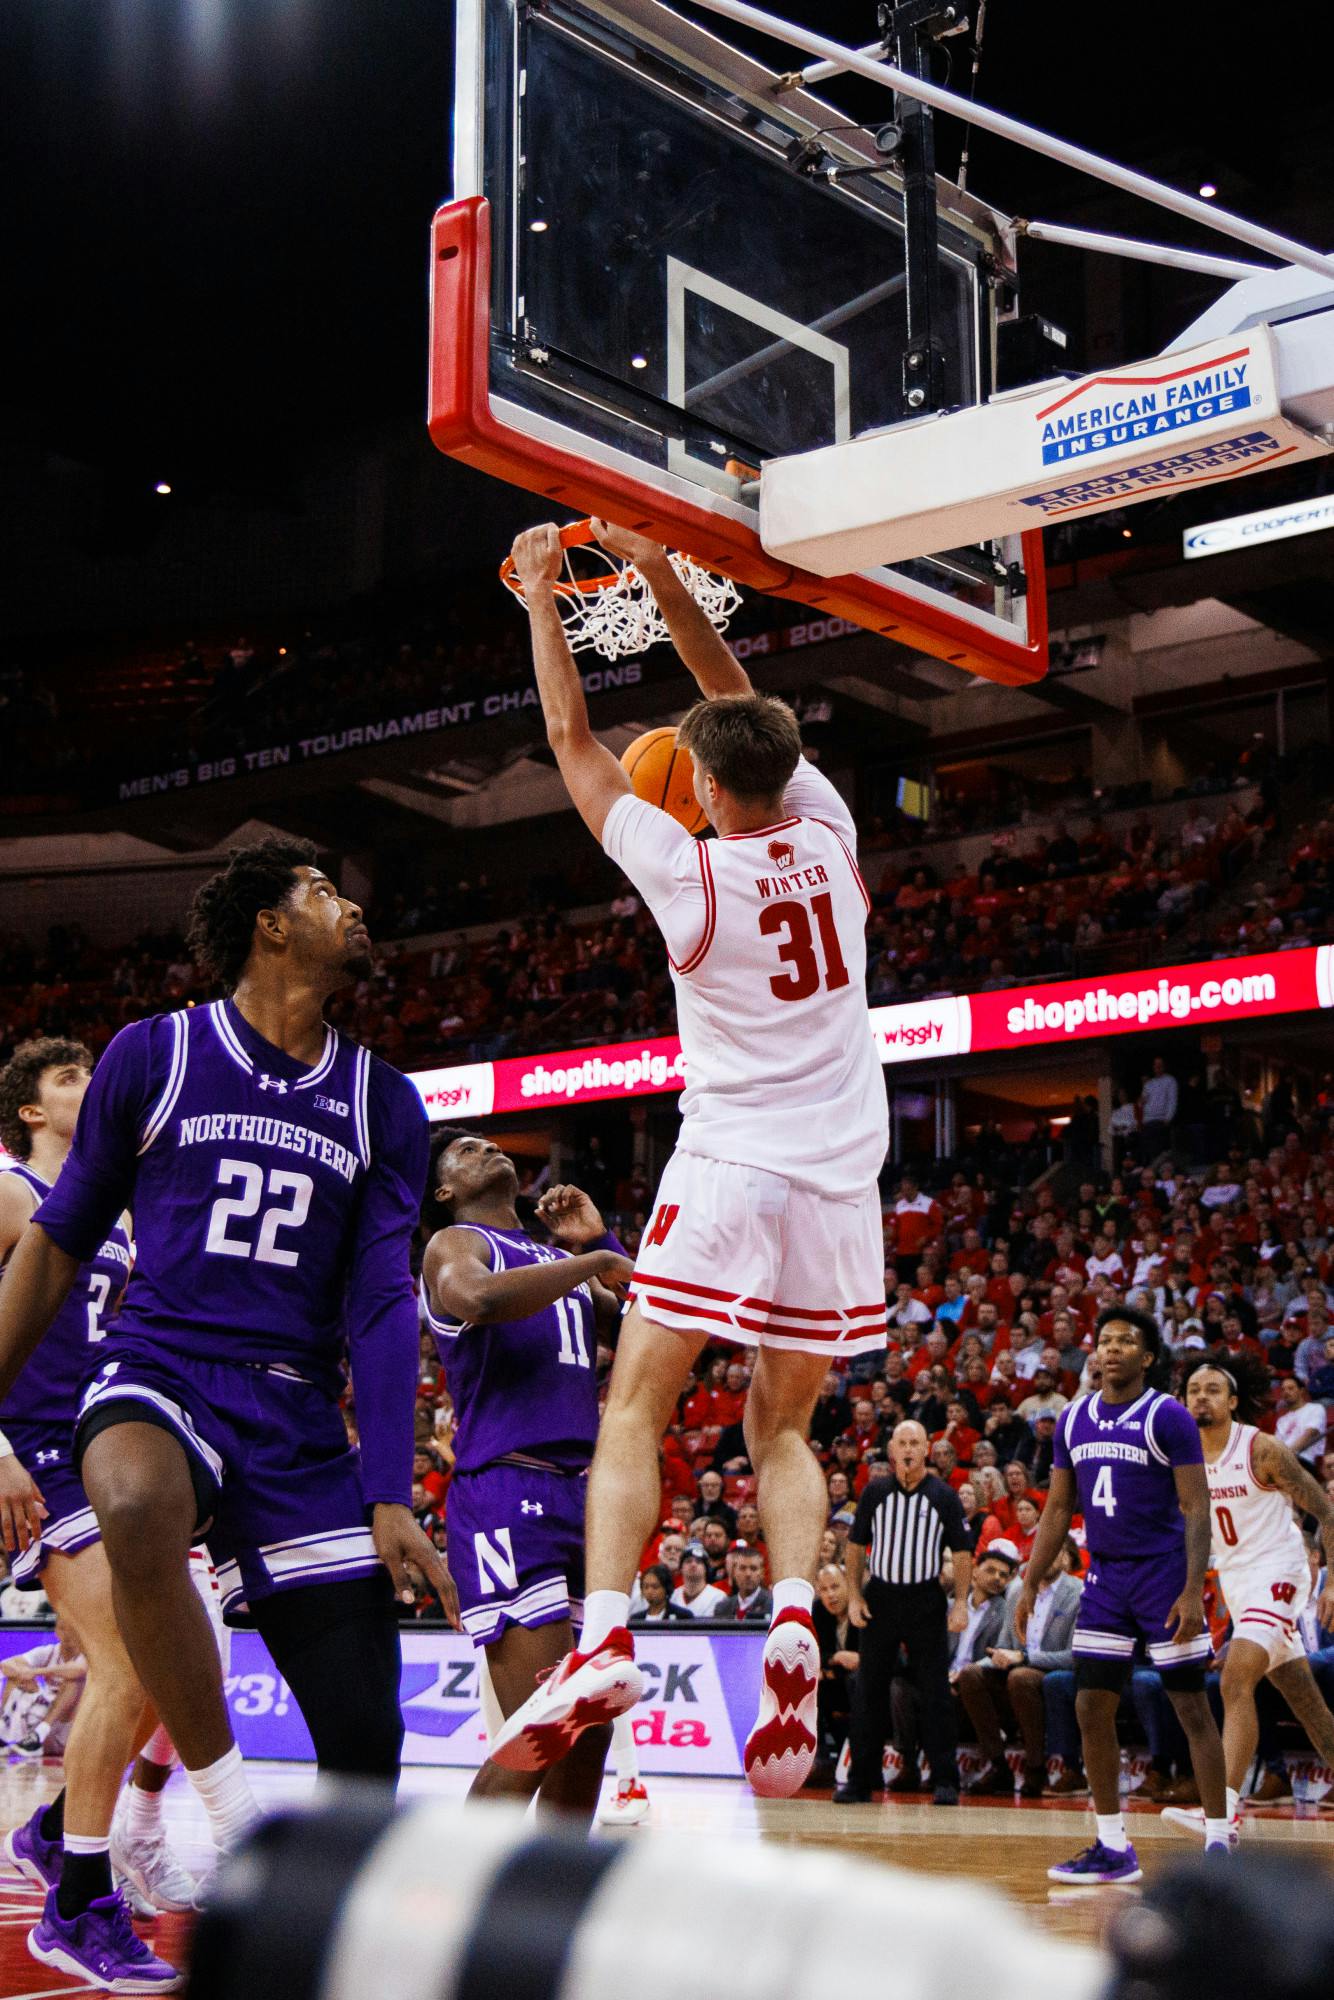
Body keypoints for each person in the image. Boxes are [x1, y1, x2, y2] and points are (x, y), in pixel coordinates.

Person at [491, 522, 888, 1799]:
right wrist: (663, 575)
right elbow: (736, 702)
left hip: (725, 1163)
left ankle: (606, 1628)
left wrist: (548, 598)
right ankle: (785, 1610)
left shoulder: (686, 876)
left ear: (703, 789)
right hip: (837, 1180)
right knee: (781, 1423)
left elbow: (574, 744)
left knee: (635, 1407)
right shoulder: (829, 834)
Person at [0, 841, 457, 1932]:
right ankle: (231, 1806)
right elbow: (55, 1247)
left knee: (364, 1733)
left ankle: (321, 1931)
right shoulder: (153, 1054)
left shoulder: (382, 1101)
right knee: (136, 1498)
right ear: (268, 923)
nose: (351, 908)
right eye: (324, 892)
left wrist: (388, 1488)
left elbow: (383, 1300)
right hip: (159, 1366)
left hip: (297, 1409)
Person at [0, 1037, 189, 1988]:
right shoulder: (8, 1190)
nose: (89, 1085)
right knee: (122, 1662)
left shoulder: (108, 1206)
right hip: (27, 1449)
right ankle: (74, 1907)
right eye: (67, 1078)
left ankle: (47, 1827)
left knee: (157, 1666)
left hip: (88, 1447)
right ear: (30, 1112)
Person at [419, 1130, 634, 1824]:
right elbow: (476, 1299)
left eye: (490, 1144)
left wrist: (605, 1243)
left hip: (582, 1495)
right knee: (548, 1717)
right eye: (466, 1151)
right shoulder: (454, 1245)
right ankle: (453, 1887)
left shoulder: (555, 1261)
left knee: (592, 1725)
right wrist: (589, 1262)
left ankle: (554, 1899)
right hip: (507, 1490)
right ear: (445, 1191)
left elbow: (643, 1337)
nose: (486, 1149)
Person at [1016, 1306, 1228, 1884]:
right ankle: (1113, 1846)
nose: (1111, 1349)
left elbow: (1196, 1506)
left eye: (1125, 1341)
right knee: (1090, 1704)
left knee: (1190, 1705)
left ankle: (1218, 1841)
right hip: (1106, 1576)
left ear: (1148, 1356)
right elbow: (1059, 1508)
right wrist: (1031, 1580)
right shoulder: (1074, 1419)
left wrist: (1192, 1589)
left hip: (1163, 1574)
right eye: (1104, 1340)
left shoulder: (1169, 1417)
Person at [1176, 1354, 1334, 1840]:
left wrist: (1333, 1579)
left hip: (1281, 1571)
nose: (1201, 1396)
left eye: (1212, 1389)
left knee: (1234, 1680)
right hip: (1238, 1583)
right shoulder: (1182, 1460)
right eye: (1193, 1390)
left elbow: (1326, 1511)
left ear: (1234, 1401)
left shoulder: (1261, 1450)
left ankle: (1221, 1813)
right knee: (1307, 1704)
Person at [836, 1420, 971, 1806]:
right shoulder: (875, 1492)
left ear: (926, 1449)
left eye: (915, 1442)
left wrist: (960, 1602)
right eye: (902, 1443)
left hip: (926, 1600)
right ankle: (861, 1780)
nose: (909, 1450)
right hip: (881, 1598)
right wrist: (854, 1597)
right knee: (868, 1691)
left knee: (935, 1693)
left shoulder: (943, 1495)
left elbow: (962, 1553)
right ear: (892, 1450)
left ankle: (945, 1780)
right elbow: (856, 1546)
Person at [956, 1538, 1082, 1799]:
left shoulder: (1077, 1591)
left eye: (1052, 1550)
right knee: (970, 1675)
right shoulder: (1018, 1592)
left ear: (1064, 1558)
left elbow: (1074, 1656)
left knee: (1020, 1677)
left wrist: (1023, 1657)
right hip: (1017, 1670)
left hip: (1051, 1673)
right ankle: (999, 1765)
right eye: (1039, 1551)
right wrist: (985, 1662)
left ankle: (1036, 1767)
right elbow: (1003, 1647)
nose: (1045, 1556)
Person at [629, 1565, 694, 1626]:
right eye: (646, 1587)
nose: (649, 1591)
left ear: (666, 1588)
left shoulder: (683, 1616)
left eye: (655, 1587)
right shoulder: (636, 1619)